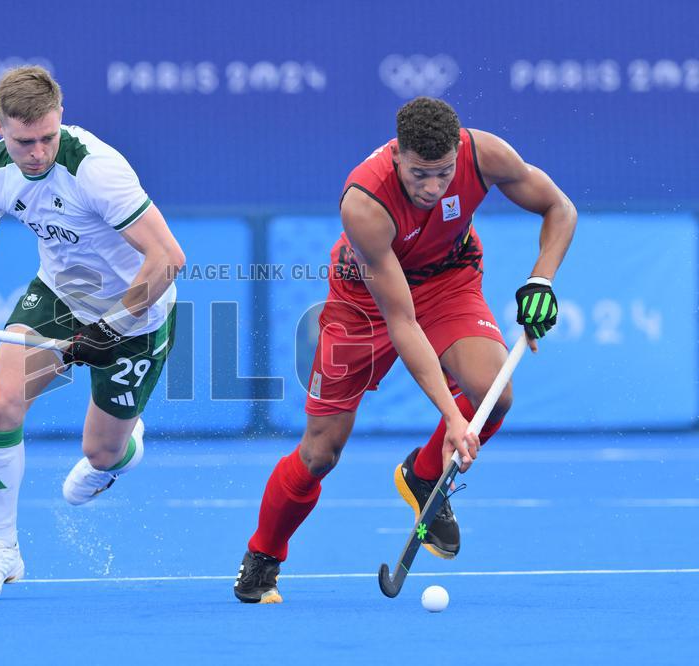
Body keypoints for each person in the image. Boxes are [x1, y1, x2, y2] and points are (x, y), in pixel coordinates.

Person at [234, 97, 577, 603]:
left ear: (458, 152)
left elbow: (559, 208)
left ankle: (424, 476)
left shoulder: (484, 154)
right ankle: (263, 554)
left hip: (448, 280)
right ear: (397, 155)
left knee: (492, 393)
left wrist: (541, 280)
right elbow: (403, 322)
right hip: (363, 303)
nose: (433, 188)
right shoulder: (364, 203)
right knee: (321, 451)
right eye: (419, 174)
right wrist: (452, 418)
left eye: (443, 174)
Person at [0, 65, 185, 599]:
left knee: (101, 453)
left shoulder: (95, 169)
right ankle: (0, 550)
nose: (38, 153)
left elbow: (167, 258)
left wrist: (111, 326)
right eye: (24, 142)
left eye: (47, 137)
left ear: (60, 117)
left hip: (136, 310)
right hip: (61, 294)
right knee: (1, 405)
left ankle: (120, 451)